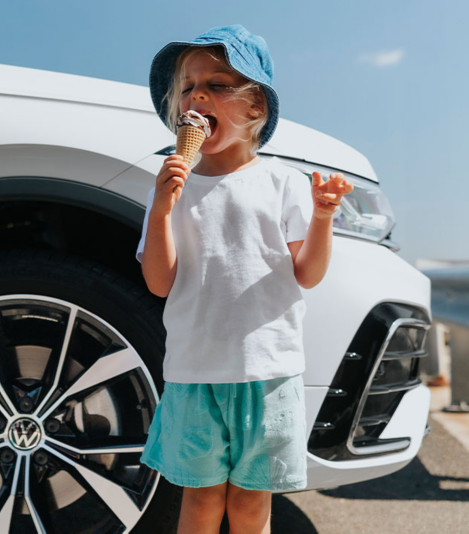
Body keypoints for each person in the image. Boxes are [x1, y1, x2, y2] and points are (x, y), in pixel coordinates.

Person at [136, 25, 354, 534]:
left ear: (255, 108)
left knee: (254, 506)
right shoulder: (170, 185)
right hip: (194, 373)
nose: (198, 95)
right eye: (188, 86)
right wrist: (163, 208)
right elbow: (159, 283)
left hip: (268, 374)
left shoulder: (282, 182)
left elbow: (309, 274)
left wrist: (322, 218)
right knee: (202, 501)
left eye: (217, 83)